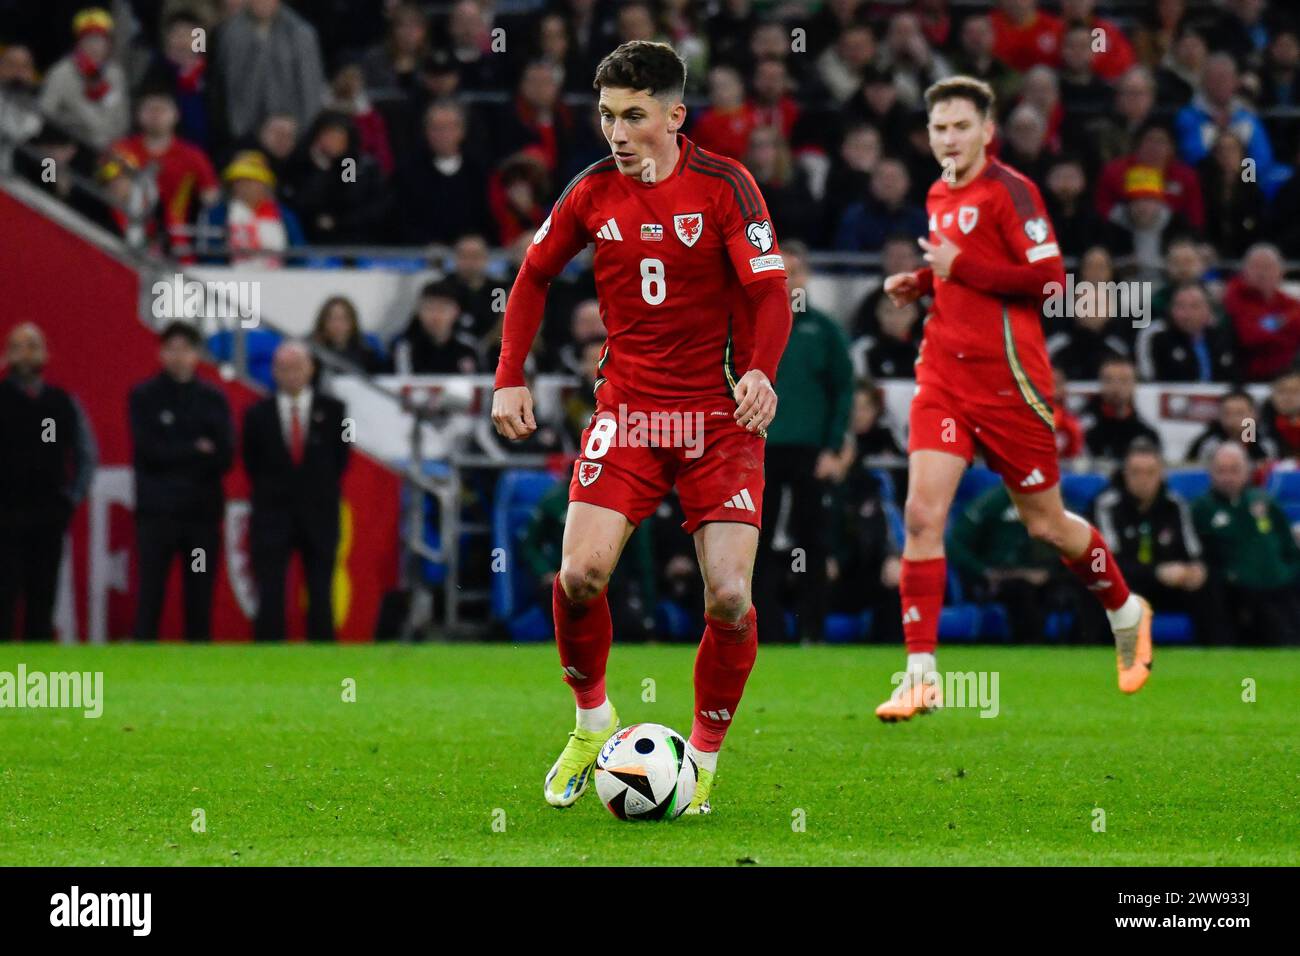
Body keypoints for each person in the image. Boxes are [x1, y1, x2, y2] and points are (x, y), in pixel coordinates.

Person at [490, 41, 792, 814]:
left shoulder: (727, 186)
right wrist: (508, 375)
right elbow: (531, 277)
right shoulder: (591, 191)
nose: (616, 133)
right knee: (579, 575)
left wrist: (760, 370)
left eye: (632, 116)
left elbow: (768, 295)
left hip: (720, 421)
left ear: (674, 116)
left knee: (728, 595)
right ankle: (593, 720)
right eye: (605, 115)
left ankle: (705, 760)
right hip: (627, 415)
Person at [877, 76, 1153, 722]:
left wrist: (953, 267)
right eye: (939, 127)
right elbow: (958, 269)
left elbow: (1050, 280)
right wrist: (921, 281)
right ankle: (920, 675)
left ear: (986, 130)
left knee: (1046, 525)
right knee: (921, 515)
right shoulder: (938, 190)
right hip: (944, 375)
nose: (949, 138)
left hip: (1011, 387)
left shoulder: (1013, 191)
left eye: (960, 126)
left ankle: (1125, 608)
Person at [755, 241, 853, 643]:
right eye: (781, 271)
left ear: (806, 276)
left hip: (809, 453)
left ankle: (812, 628)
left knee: (812, 541)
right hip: (760, 448)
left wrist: (832, 448)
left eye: (794, 272)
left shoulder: (823, 329)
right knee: (755, 540)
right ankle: (765, 628)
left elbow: (843, 390)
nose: (788, 280)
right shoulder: (753, 321)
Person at [128, 322, 233, 641]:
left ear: (197, 355)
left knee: (199, 594)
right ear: (161, 353)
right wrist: (194, 449)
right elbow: (149, 452)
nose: (178, 356)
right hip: (157, 517)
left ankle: (199, 670)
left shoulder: (213, 398)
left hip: (200, 519)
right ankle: (142, 664)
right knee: (151, 595)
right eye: (171, 349)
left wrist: (177, 451)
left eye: (185, 349)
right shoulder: (144, 396)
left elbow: (224, 456)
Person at [243, 342, 351, 642]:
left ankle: (322, 653)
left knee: (320, 589)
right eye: (283, 368)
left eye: (298, 367)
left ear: (311, 369)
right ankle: (268, 654)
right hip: (272, 515)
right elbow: (251, 463)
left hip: (320, 514)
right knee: (271, 590)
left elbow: (340, 460)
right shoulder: (257, 414)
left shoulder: (335, 411)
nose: (291, 375)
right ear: (274, 372)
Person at [0, 324, 97, 642]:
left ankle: (37, 680)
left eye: (32, 345)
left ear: (45, 353)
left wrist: (70, 498)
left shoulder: (61, 403)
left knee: (43, 599)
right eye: (18, 346)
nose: (25, 353)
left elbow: (86, 454)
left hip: (47, 517)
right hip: (6, 517)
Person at [1092, 441, 1218, 643]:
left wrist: (1196, 570)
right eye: (1136, 472)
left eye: (1150, 472)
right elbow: (1107, 564)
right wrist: (1156, 572)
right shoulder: (1107, 505)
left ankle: (1217, 655)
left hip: (1168, 587)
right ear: (1125, 474)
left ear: (1161, 474)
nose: (1143, 480)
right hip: (1128, 586)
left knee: (1209, 586)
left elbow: (1194, 551)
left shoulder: (1175, 505)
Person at [1193, 443, 1300, 645]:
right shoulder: (1202, 508)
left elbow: (1289, 546)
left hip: (1281, 588)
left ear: (1247, 471)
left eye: (1234, 470)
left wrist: (1290, 572)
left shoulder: (1263, 501)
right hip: (1236, 594)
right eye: (1221, 471)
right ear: (1211, 473)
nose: (1228, 477)